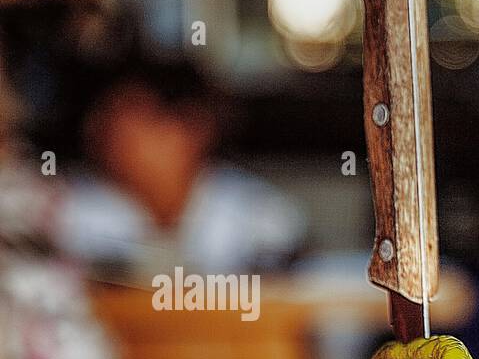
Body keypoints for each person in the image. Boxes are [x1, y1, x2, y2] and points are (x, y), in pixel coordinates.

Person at [57, 55, 307, 276]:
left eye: (136, 120)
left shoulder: (260, 217)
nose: (110, 135)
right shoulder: (69, 214)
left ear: (193, 126)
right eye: (106, 120)